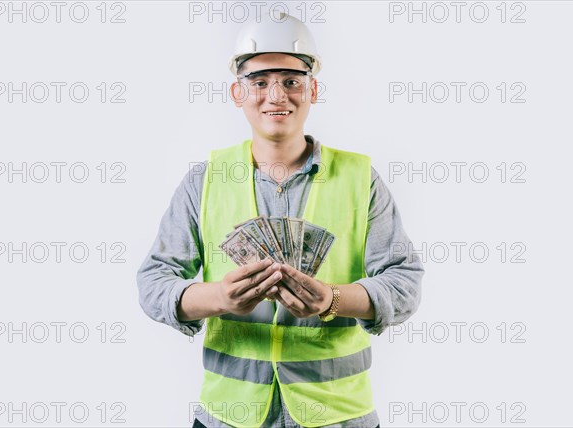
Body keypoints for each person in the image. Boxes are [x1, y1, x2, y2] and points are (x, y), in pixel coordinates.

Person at [136, 12, 424, 428]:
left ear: (313, 90)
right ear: (238, 92)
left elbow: (404, 282)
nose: (276, 95)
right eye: (259, 82)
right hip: (227, 416)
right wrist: (220, 298)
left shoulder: (361, 179)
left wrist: (331, 299)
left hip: (338, 416)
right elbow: (154, 282)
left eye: (291, 80)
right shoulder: (205, 180)